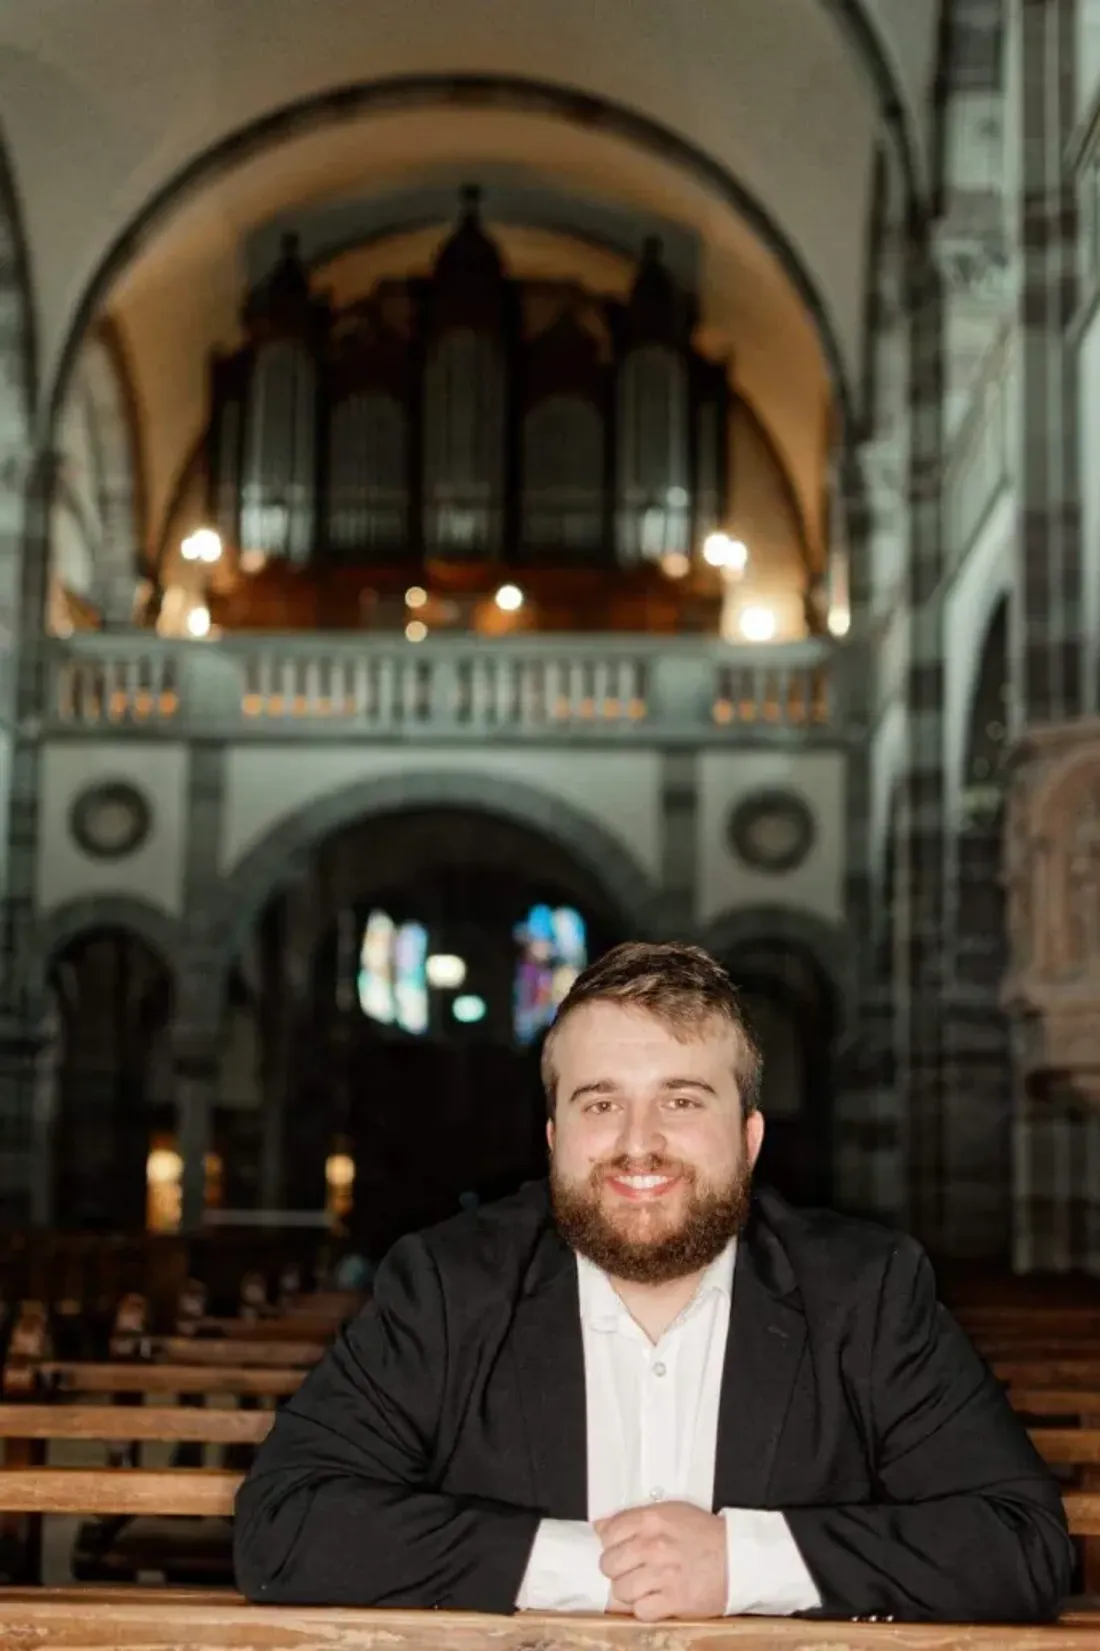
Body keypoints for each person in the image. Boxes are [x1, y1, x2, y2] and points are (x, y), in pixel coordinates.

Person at [234, 941, 1073, 1623]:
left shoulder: (866, 1289)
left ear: (747, 1138)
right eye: (601, 1104)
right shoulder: (449, 1284)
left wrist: (740, 1564)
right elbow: (284, 1524)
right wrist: (590, 1568)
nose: (639, 1143)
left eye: (681, 1101)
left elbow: (1019, 1544)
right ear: (557, 1134)